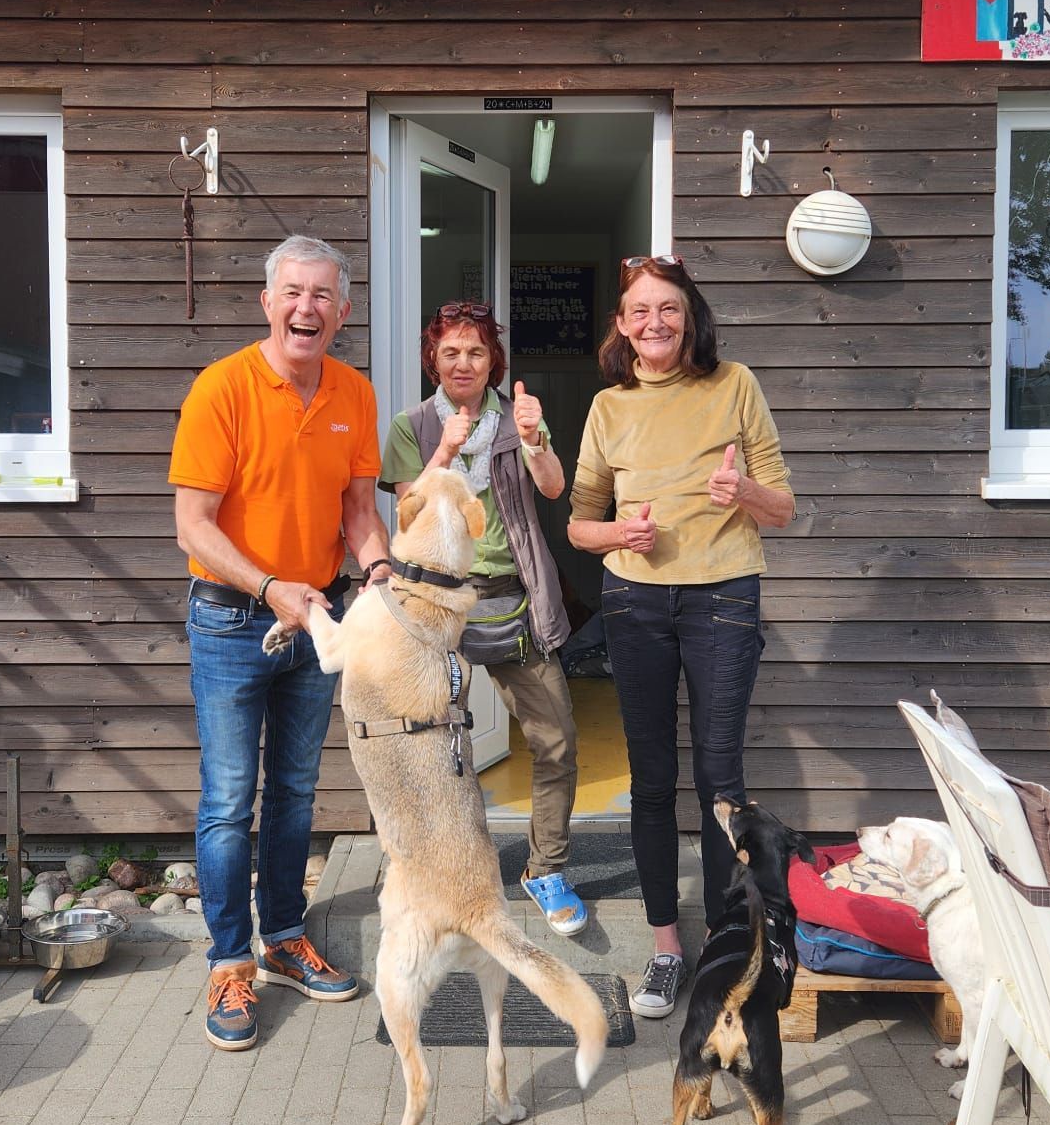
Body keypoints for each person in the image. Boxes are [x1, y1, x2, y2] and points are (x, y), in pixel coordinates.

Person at [170, 234, 391, 1050]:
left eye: (322, 295)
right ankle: (230, 962)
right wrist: (270, 589)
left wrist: (379, 571)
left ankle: (285, 938)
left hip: (319, 619)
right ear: (268, 302)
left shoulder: (354, 392)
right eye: (293, 292)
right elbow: (193, 524)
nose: (307, 307)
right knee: (231, 800)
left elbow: (358, 512)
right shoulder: (221, 388)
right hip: (233, 620)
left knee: (295, 791)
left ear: (343, 310)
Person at [567, 255, 794, 1018]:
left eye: (668, 307)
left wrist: (744, 490)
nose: (654, 322)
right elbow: (579, 525)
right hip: (634, 603)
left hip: (723, 596)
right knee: (652, 779)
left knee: (720, 781)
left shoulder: (735, 384)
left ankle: (727, 949)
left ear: (689, 316)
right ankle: (667, 948)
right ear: (621, 325)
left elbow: (783, 507)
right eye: (639, 310)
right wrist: (617, 533)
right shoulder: (608, 407)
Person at [380, 299, 589, 936]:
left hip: (515, 600)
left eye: (475, 351)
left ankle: (546, 869)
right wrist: (444, 450)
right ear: (433, 360)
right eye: (450, 352)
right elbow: (407, 516)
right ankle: (449, 872)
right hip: (437, 607)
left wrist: (533, 439)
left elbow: (553, 487)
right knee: (434, 748)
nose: (463, 363)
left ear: (493, 358)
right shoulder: (413, 426)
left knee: (556, 739)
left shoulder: (516, 417)